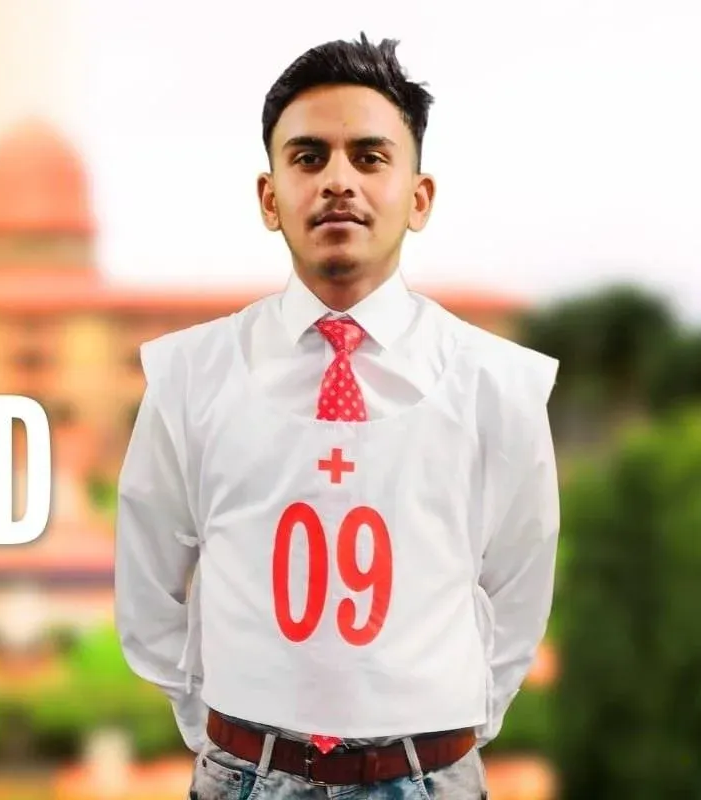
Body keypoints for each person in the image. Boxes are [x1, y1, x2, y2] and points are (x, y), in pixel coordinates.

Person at [114, 33, 560, 799]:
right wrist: (224, 732)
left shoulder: (496, 384)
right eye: (309, 157)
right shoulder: (191, 375)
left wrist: (441, 733)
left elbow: (517, 591)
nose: (339, 181)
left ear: (418, 198)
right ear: (269, 196)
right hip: (246, 775)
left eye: (371, 156)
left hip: (429, 778)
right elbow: (149, 582)